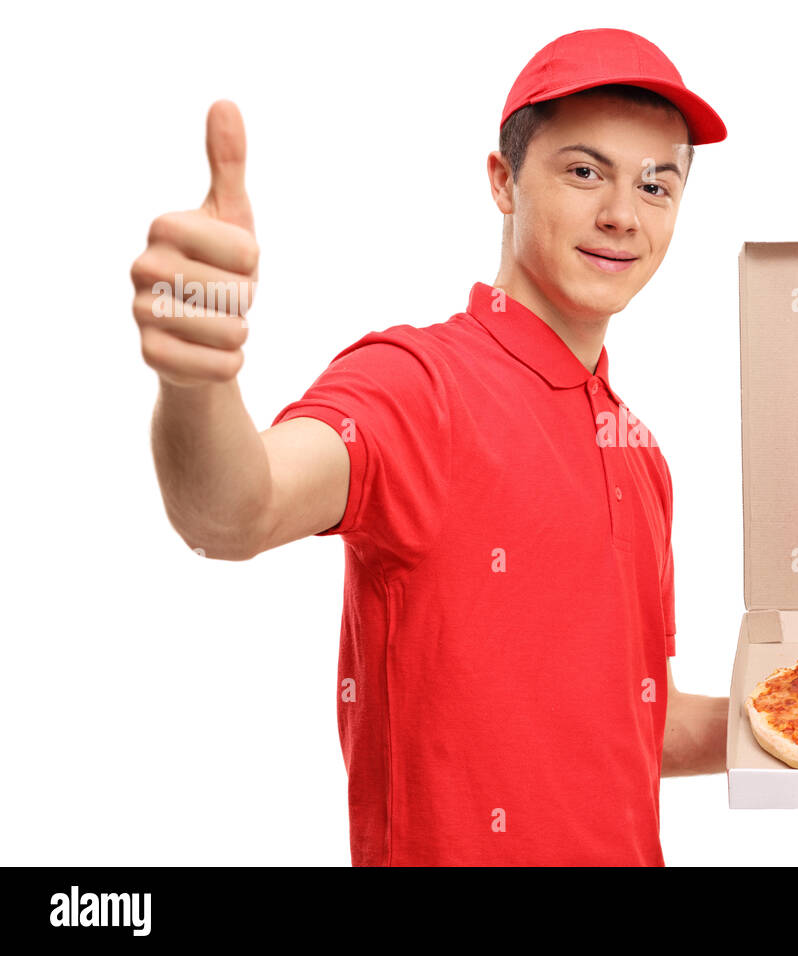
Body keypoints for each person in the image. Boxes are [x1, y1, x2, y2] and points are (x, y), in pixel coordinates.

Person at [129, 28, 730, 866]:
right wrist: (196, 379)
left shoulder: (641, 453)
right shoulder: (418, 386)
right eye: (585, 172)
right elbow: (234, 511)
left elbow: (641, 723)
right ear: (503, 181)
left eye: (656, 184)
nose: (623, 215)